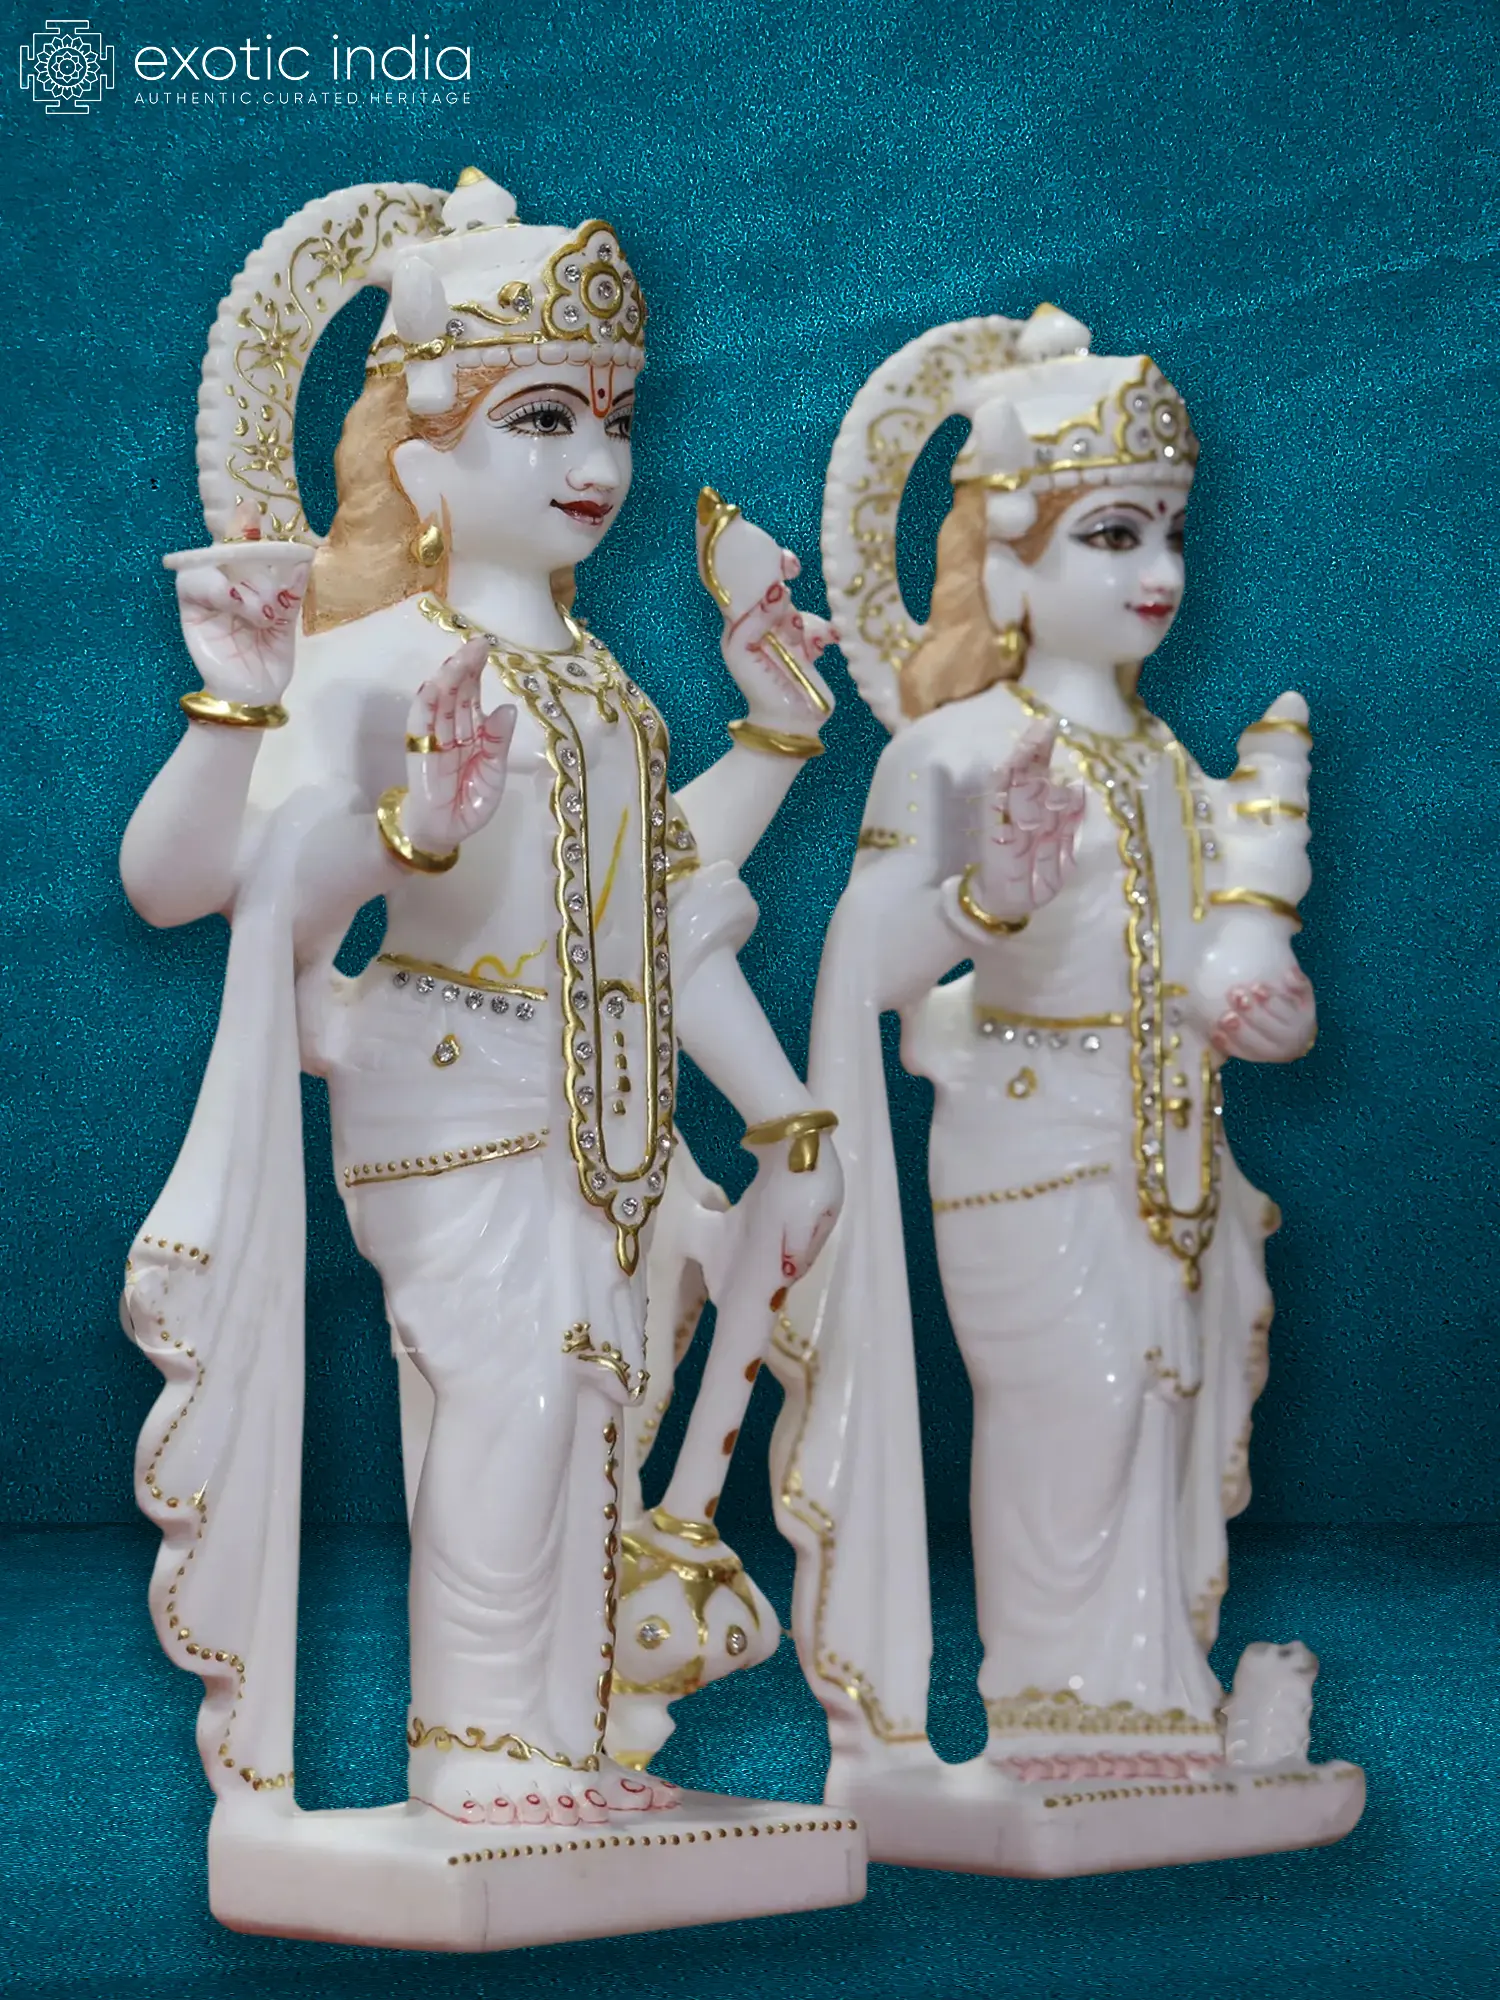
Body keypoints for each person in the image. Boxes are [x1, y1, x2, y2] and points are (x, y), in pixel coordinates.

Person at [121, 171, 841, 1831]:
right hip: (449, 1095)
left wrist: (776, 732)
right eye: (541, 419)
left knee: (596, 1416)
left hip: (607, 1121)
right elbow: (181, 883)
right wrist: (270, 731)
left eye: (613, 420)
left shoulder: (608, 689)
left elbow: (654, 901)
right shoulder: (381, 659)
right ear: (424, 455)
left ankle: (570, 1749)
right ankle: (475, 1755)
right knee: (514, 1405)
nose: (596, 462)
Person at [773, 305, 1315, 1786]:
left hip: (1175, 1152)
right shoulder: (952, 752)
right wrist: (985, 899)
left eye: (1169, 535)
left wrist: (1267, 1018)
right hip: (1025, 1138)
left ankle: (1157, 1712)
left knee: (1166, 1418)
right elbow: (860, 963)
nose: (1157, 573)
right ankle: (1052, 1714)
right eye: (1113, 536)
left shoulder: (1179, 770)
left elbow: (1228, 969)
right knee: (1075, 1409)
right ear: (1008, 562)